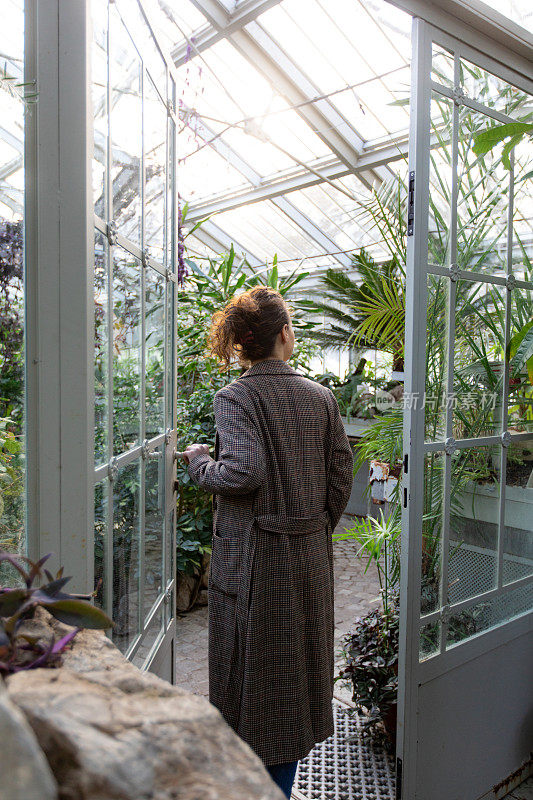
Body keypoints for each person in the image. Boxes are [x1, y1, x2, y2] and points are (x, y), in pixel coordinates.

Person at [179, 286, 353, 799]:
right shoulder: (320, 396)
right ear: (283, 334)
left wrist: (198, 462)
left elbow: (243, 471)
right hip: (309, 559)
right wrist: (314, 526)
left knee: (252, 685)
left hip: (258, 565)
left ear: (246, 342)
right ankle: (281, 784)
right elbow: (342, 476)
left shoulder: (237, 397)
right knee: (295, 678)